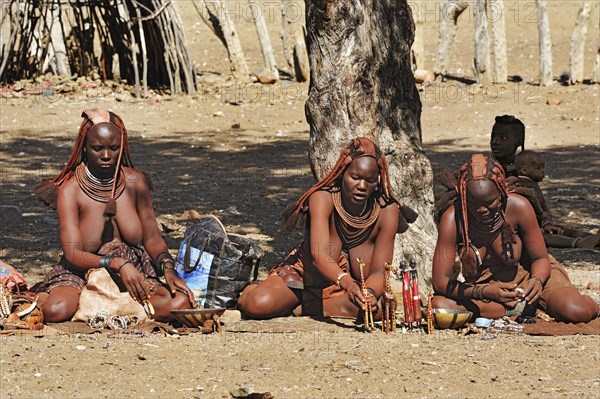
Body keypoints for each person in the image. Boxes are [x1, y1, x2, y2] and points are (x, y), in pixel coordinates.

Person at [33, 108, 196, 323]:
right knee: (56, 310)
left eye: (114, 148)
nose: (107, 156)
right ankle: (105, 305)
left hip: (134, 271)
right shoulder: (71, 190)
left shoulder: (135, 182)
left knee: (180, 304)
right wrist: (117, 263)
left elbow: (152, 238)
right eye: (98, 148)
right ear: (84, 148)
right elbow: (72, 254)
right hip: (82, 270)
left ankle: (101, 308)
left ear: (123, 147)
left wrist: (168, 269)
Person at [237, 137, 416, 319]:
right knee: (258, 304)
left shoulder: (387, 210)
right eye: (355, 177)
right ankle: (262, 293)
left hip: (346, 290)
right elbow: (320, 256)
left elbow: (379, 271)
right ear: (343, 173)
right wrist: (347, 283)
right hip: (303, 279)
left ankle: (306, 308)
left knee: (377, 310)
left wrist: (367, 292)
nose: (362, 186)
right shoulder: (323, 198)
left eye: (370, 180)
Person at [432, 154, 599, 323]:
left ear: (501, 192)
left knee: (576, 311)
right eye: (473, 203)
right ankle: (515, 311)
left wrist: (537, 281)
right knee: (440, 306)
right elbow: (441, 281)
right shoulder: (453, 218)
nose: (481, 210)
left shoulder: (519, 207)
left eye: (489, 202)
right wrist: (482, 292)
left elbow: (540, 258)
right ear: (463, 196)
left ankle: (590, 304)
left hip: (531, 279)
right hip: (486, 294)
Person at [513, 150, 600, 249]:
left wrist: (547, 222)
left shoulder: (533, 184)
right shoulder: (523, 185)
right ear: (524, 170)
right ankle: (578, 243)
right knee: (543, 236)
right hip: (527, 227)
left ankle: (593, 238)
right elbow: (536, 206)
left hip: (539, 223)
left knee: (562, 230)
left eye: (543, 168)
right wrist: (544, 220)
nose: (543, 172)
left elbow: (544, 207)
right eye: (538, 168)